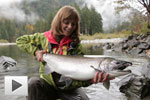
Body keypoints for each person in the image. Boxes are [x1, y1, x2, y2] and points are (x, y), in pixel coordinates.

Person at [16, 5, 112, 100]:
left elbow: (79, 77)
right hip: (48, 86)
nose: (70, 26)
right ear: (58, 22)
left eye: (73, 24)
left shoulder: (76, 45)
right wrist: (35, 51)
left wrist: (90, 80)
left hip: (69, 89)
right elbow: (20, 41)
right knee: (32, 83)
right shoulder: (43, 38)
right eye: (66, 22)